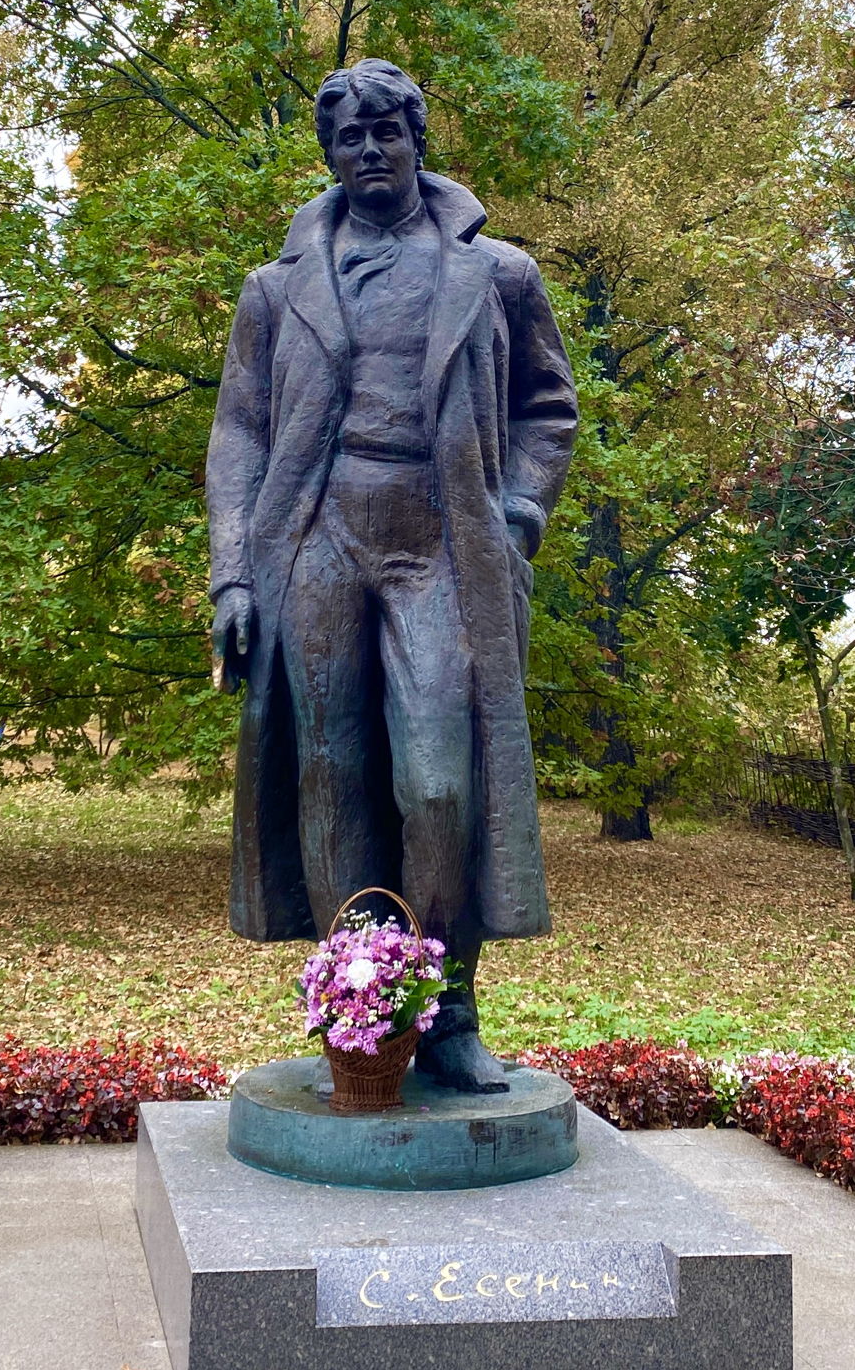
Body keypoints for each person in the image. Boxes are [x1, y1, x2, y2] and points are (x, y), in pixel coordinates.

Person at [206, 58, 577, 1091]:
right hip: (314, 538)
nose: (369, 150)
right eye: (349, 137)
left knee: (438, 783)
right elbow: (238, 433)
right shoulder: (275, 288)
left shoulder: (497, 274)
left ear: (417, 139)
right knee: (331, 776)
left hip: (443, 541)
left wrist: (519, 514)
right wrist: (232, 576)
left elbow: (549, 409)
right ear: (329, 154)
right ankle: (357, 1014)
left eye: (387, 132)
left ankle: (446, 1010)